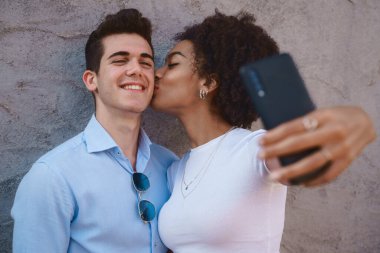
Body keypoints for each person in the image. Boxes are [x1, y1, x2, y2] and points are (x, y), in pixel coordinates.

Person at [151, 11, 376, 252]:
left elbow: (302, 154)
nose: (157, 73)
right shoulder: (176, 170)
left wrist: (354, 120)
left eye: (172, 64)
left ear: (207, 83)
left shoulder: (255, 149)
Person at [11, 9, 177, 253]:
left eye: (146, 62)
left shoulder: (170, 165)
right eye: (120, 60)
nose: (136, 70)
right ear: (91, 80)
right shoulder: (52, 176)